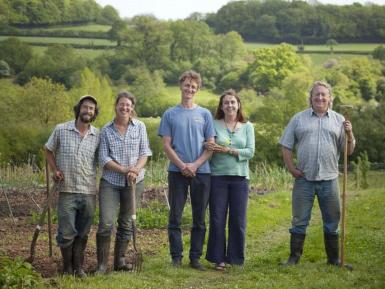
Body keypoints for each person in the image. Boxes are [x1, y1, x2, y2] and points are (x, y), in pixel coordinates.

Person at [279, 81, 355, 266]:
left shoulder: (339, 120)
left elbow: (348, 151)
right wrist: (291, 168)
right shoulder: (298, 119)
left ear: (330, 99)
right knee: (299, 220)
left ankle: (334, 259)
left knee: (332, 221)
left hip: (329, 179)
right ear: (311, 98)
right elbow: (286, 144)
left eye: (324, 95)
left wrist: (350, 134)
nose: (320, 98)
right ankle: (294, 258)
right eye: (316, 95)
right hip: (304, 178)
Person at [158, 70, 215, 270]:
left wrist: (195, 165)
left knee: (199, 217)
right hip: (177, 172)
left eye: (193, 86)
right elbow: (166, 145)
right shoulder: (170, 114)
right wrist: (182, 166)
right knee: (175, 215)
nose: (189, 89)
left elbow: (211, 146)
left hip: (202, 172)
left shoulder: (205, 114)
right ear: (180, 86)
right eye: (186, 85)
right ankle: (176, 257)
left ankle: (195, 258)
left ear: (197, 90)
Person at [96, 91, 152, 274]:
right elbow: (103, 158)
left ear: (132, 107)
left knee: (126, 222)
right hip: (110, 183)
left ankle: (119, 261)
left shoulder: (140, 126)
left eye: (128, 105)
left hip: (135, 181)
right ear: (116, 106)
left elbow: (145, 152)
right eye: (122, 104)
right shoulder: (106, 130)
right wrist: (123, 170)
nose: (125, 108)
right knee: (106, 222)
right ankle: (102, 264)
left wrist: (135, 169)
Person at [45, 95, 100, 277]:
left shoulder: (97, 135)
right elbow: (48, 149)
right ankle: (67, 268)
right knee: (66, 232)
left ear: (94, 113)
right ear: (79, 109)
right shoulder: (61, 129)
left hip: (88, 191)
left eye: (91, 109)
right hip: (67, 189)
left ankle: (79, 267)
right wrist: (54, 170)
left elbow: (103, 159)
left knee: (83, 232)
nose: (88, 111)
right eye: (85, 107)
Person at [205, 89, 255, 271]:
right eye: (226, 103)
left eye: (233, 102)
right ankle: (218, 259)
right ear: (221, 106)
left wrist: (230, 151)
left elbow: (250, 152)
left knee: (238, 220)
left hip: (240, 179)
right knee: (217, 218)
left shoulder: (248, 126)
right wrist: (207, 145)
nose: (230, 105)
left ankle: (235, 258)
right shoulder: (213, 124)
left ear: (238, 105)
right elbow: (207, 144)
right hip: (217, 178)